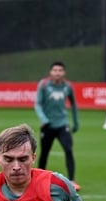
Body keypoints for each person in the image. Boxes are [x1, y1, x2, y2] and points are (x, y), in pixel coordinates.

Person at [34, 61, 80, 191]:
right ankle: (38, 179)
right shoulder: (43, 84)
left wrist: (76, 122)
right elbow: (37, 104)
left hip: (62, 124)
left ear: (64, 73)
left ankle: (72, 181)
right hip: (47, 125)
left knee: (68, 149)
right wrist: (43, 119)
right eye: (55, 70)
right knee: (44, 152)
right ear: (50, 72)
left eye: (60, 70)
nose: (57, 73)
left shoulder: (68, 86)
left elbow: (74, 104)